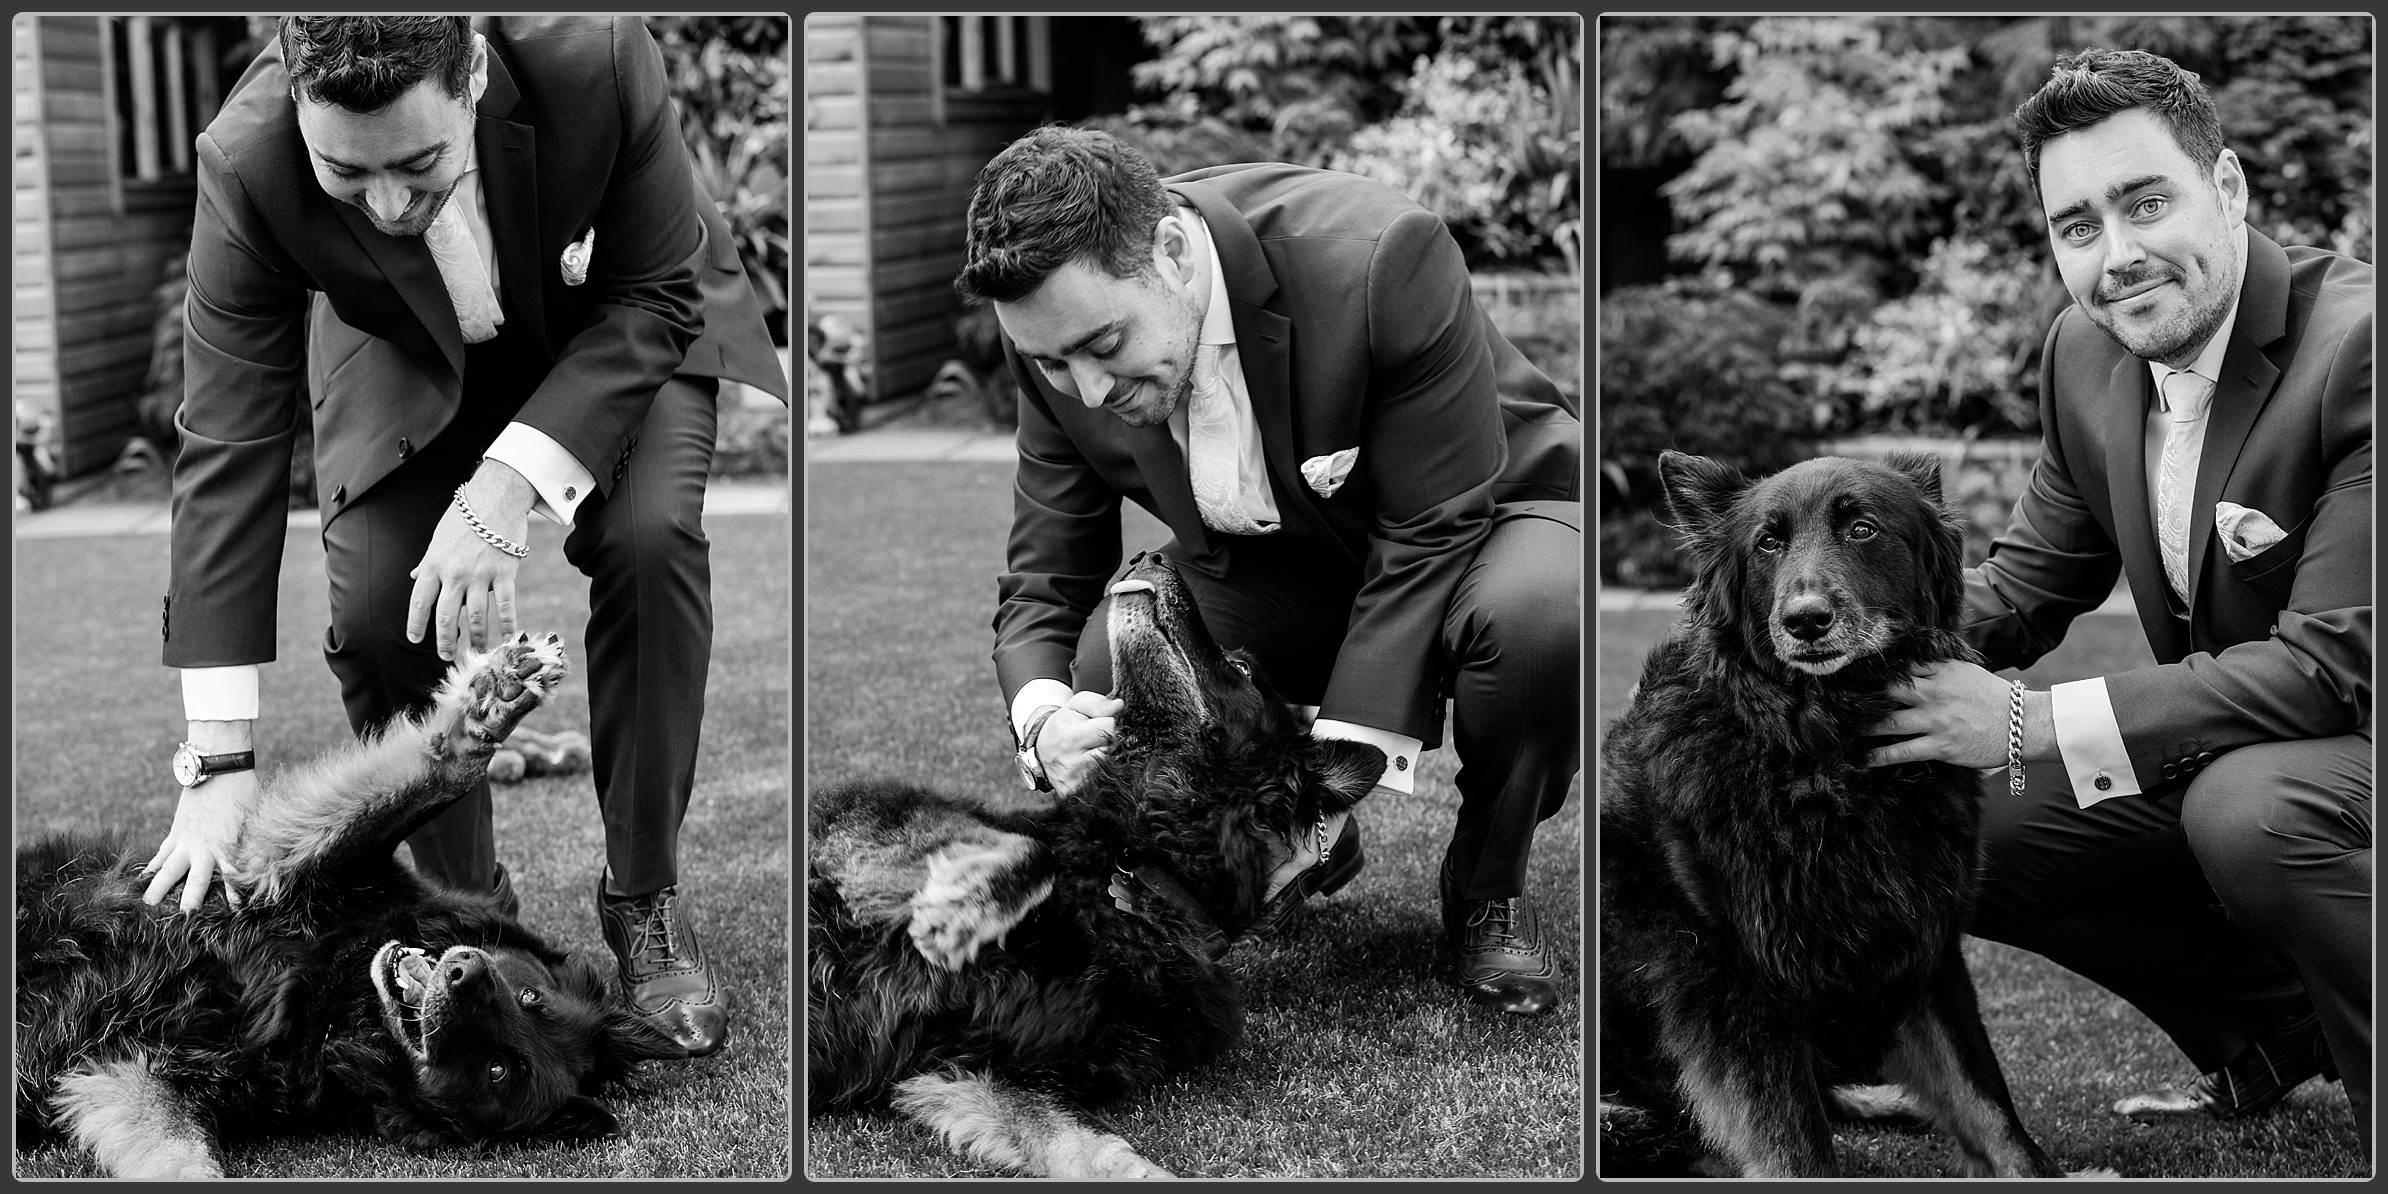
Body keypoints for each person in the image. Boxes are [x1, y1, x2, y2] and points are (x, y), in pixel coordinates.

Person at [147, 16, 788, 1059]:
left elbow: (661, 292)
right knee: (374, 610)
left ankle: (644, 904)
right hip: (402, 346)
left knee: (648, 540)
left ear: (477, 72)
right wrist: (219, 760)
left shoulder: (597, 57)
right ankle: (469, 916)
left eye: (420, 162)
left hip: (622, 320)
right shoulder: (246, 159)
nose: (392, 208)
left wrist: (505, 485)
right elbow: (228, 440)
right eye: (347, 177)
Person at [954, 126, 1582, 1015]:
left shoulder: (1380, 257)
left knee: (1540, 621)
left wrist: (1327, 780)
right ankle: (1285, 853)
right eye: (1055, 363)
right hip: (1276, 554)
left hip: (1491, 515)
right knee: (1105, 669)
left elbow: (1429, 532)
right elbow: (1046, 574)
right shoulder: (1051, 341)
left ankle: (1484, 891)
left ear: (1170, 253)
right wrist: (1045, 720)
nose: (1086, 390)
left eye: (1102, 346)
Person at [1865, 48, 2370, 1148]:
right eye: (2078, 225)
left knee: (2252, 811)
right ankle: (2275, 1030)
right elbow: (2021, 588)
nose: (2118, 255)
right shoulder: (2087, 358)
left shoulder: (2361, 351)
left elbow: (2333, 670)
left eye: (2146, 202)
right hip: (2244, 740)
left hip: (2351, 736)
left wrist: (2030, 722)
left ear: (2227, 190)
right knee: (1950, 821)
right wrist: (1840, 644)